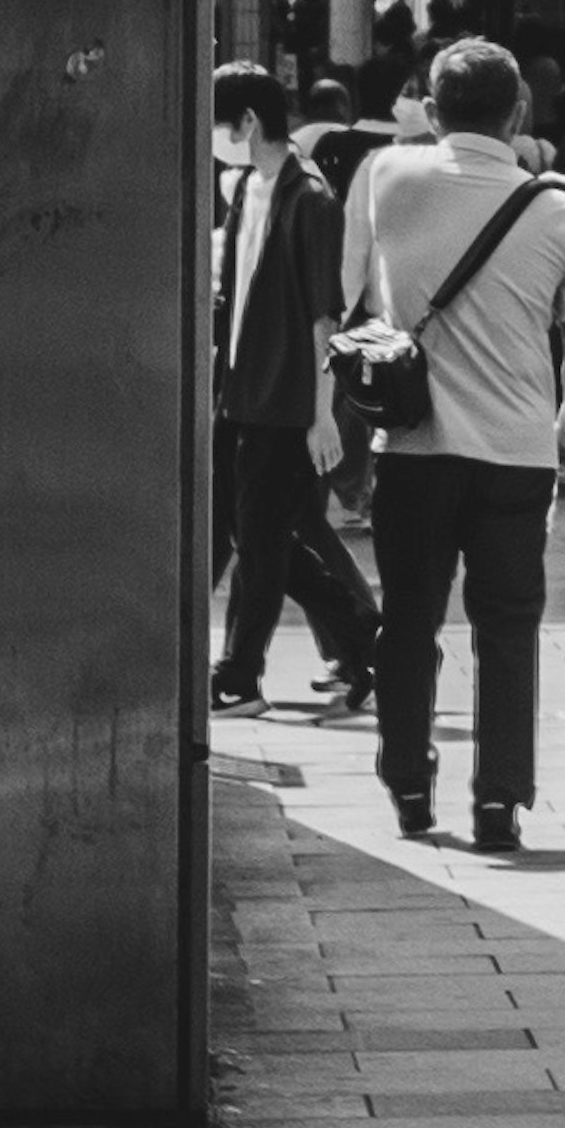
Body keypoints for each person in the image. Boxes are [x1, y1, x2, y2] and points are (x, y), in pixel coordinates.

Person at [351, 35, 565, 854]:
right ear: (521, 111)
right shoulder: (559, 210)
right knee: (507, 626)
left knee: (410, 616)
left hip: (415, 447)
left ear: (430, 107)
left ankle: (408, 782)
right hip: (517, 453)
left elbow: (357, 289)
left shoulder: (387, 175)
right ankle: (499, 800)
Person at [208, 66, 380, 713]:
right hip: (241, 396)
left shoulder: (311, 199)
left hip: (285, 402)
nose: (218, 137)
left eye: (222, 123)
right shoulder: (247, 188)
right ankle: (366, 639)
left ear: (249, 122)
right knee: (264, 539)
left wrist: (321, 415)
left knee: (261, 542)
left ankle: (240, 675)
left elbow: (323, 315)